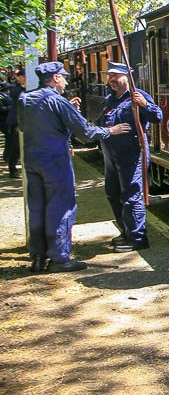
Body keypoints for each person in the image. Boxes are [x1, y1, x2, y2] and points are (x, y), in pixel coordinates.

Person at [19, 62, 131, 273]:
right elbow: (85, 133)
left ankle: (38, 257)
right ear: (55, 79)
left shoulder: (25, 99)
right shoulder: (58, 102)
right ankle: (60, 259)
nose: (66, 81)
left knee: (37, 208)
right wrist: (110, 131)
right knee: (61, 208)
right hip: (55, 161)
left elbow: (26, 126)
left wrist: (65, 113)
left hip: (32, 161)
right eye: (63, 77)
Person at [98, 62, 162, 252]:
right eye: (109, 75)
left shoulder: (137, 96)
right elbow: (98, 123)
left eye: (115, 76)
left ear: (127, 77)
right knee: (113, 193)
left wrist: (143, 104)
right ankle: (126, 231)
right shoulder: (109, 99)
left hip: (131, 155)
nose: (111, 80)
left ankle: (137, 238)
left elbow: (157, 116)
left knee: (131, 196)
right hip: (110, 155)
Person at [4, 68, 26, 177]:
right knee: (16, 147)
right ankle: (12, 169)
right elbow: (14, 96)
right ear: (19, 78)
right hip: (16, 122)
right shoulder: (15, 89)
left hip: (24, 121)